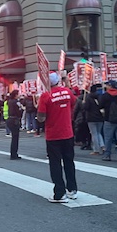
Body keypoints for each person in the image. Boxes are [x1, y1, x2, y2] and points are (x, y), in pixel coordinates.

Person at [37, 72, 78, 202]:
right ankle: (72, 189)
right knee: (69, 162)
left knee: (55, 164)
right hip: (68, 132)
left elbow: (41, 118)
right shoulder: (67, 92)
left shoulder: (45, 96)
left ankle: (59, 193)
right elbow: (75, 103)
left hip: (53, 135)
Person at [100, 80, 117, 162]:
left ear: (110, 86)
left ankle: (107, 155)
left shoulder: (105, 96)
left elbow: (100, 106)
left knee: (108, 138)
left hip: (108, 119)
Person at [83, 85, 105, 156]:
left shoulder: (88, 97)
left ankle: (96, 149)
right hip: (100, 117)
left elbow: (86, 107)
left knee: (94, 133)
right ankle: (102, 145)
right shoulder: (100, 96)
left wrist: (83, 103)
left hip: (91, 117)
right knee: (98, 132)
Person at [6, 90, 22, 159]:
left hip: (9, 119)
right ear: (16, 95)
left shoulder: (9, 101)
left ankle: (13, 153)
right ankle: (14, 154)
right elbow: (19, 111)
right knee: (15, 138)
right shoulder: (16, 102)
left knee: (14, 137)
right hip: (14, 120)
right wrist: (21, 108)